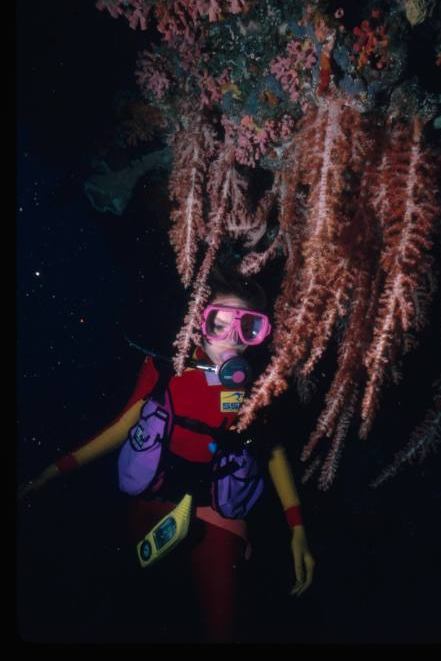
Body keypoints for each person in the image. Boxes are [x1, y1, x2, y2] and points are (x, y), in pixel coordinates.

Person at [18, 269, 315, 642]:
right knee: (138, 615)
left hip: (218, 518)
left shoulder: (260, 390)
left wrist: (297, 527)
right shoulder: (164, 369)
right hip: (152, 502)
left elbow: (272, 452)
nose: (232, 341)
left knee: (222, 627)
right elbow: (121, 427)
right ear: (197, 320)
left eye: (248, 329)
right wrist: (53, 471)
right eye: (219, 325)